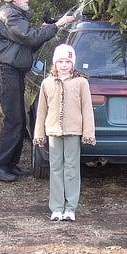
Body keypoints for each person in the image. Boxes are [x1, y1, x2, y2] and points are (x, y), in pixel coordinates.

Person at [0, 0, 75, 182]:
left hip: (13, 71)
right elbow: (29, 37)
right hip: (5, 71)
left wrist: (47, 27)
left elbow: (27, 42)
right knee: (14, 119)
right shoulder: (9, 15)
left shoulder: (15, 15)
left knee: (19, 118)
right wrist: (57, 25)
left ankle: (11, 164)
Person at [33, 44, 95, 222]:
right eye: (60, 61)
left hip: (73, 131)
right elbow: (41, 111)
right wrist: (40, 134)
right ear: (55, 63)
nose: (63, 65)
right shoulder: (47, 83)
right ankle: (57, 207)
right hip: (53, 132)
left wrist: (88, 133)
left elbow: (87, 109)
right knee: (56, 168)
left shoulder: (81, 83)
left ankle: (70, 207)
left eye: (67, 61)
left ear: (73, 63)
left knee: (72, 168)